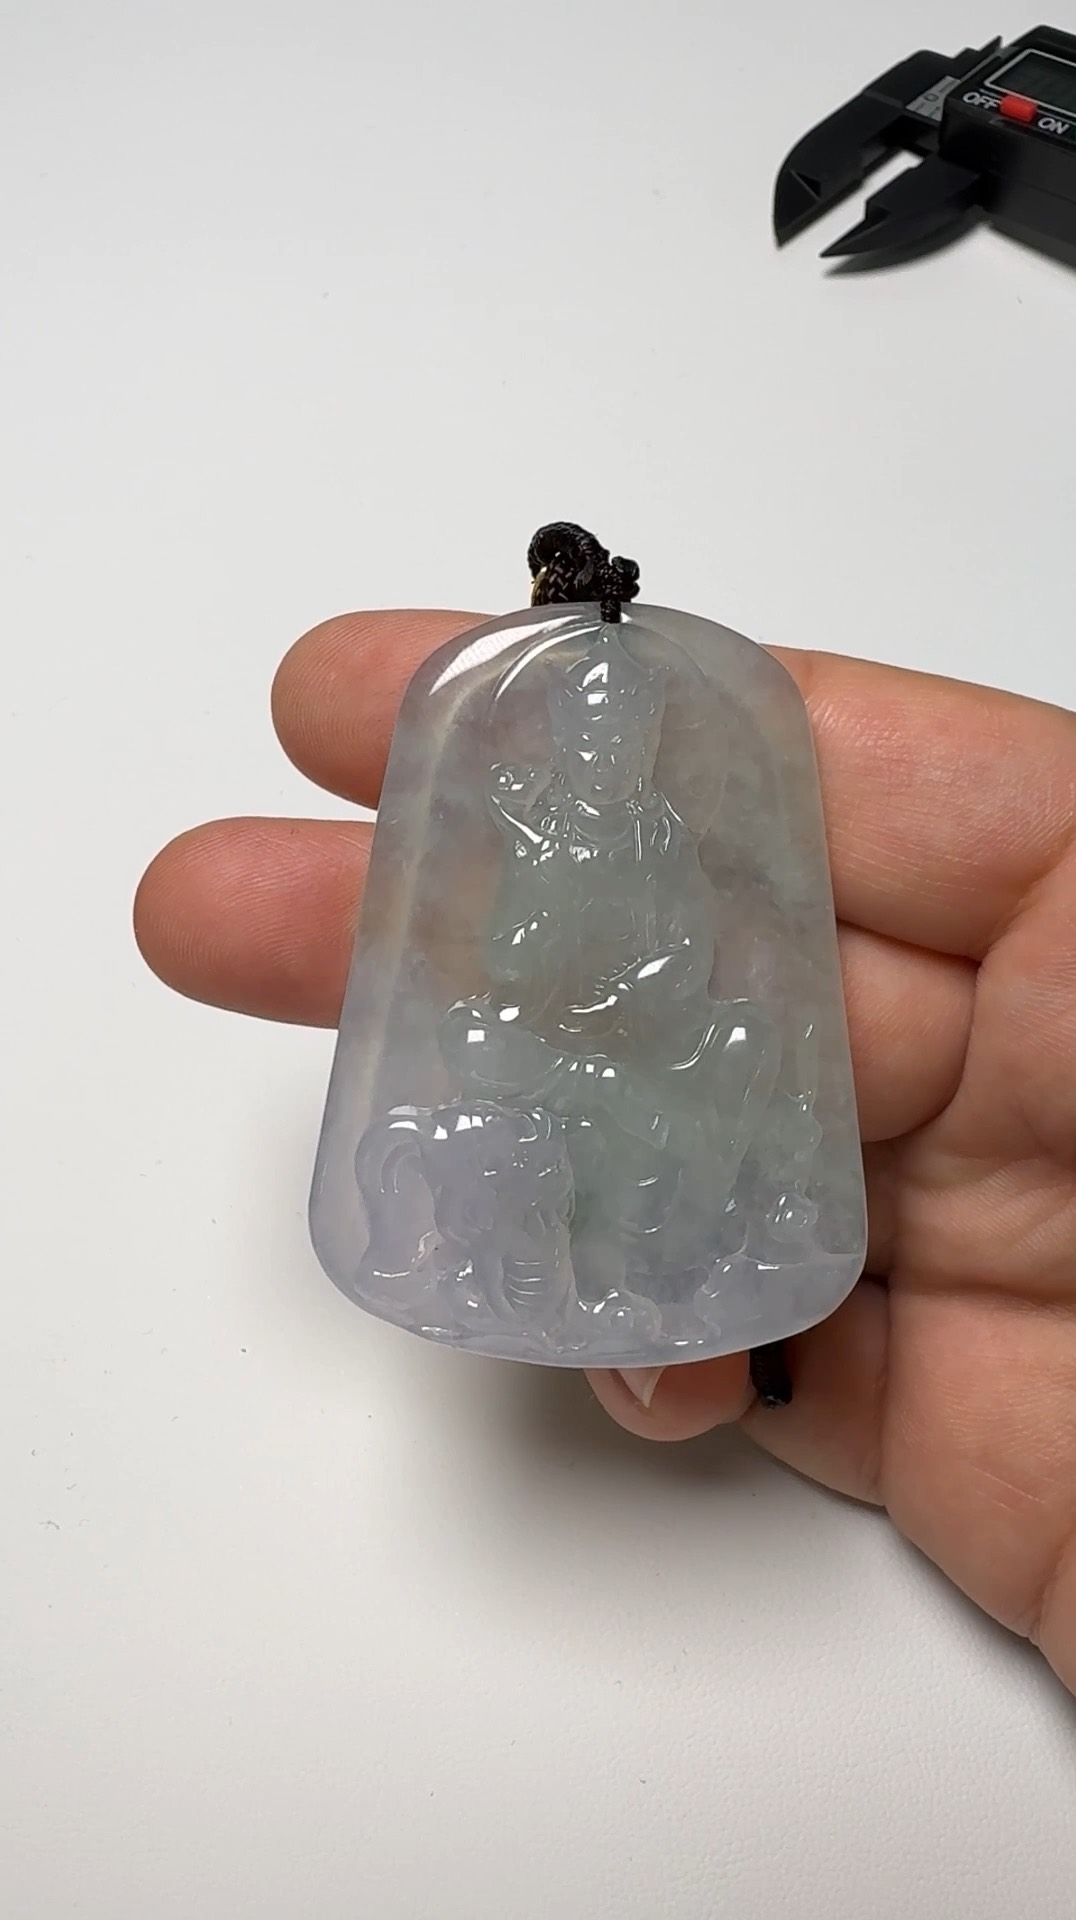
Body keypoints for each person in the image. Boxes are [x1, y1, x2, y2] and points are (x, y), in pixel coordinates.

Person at [134, 607, 1076, 1699]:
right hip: (552, 1037)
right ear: (567, 736)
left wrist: (652, 987)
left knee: (746, 1037)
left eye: (628, 734)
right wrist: (553, 920)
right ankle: (654, 1186)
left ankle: (695, 1209)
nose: (609, 752)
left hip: (651, 1033)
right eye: (590, 732)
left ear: (646, 737)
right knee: (475, 1035)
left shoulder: (660, 831)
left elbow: (690, 941)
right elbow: (506, 963)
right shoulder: (535, 829)